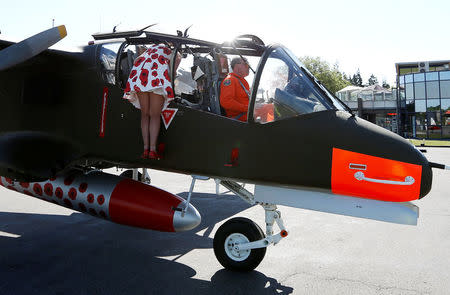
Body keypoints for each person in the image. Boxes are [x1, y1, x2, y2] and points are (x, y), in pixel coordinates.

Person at [123, 44, 181, 159]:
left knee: (145, 114)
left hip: (139, 78)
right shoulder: (174, 53)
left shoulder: (150, 49)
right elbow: (173, 73)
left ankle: (145, 149)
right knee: (154, 115)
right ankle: (153, 150)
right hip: (156, 78)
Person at [220, 57, 250, 121]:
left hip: (248, 115)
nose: (248, 66)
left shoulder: (242, 81)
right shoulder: (230, 80)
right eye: (245, 64)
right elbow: (226, 101)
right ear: (237, 66)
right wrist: (248, 108)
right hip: (241, 118)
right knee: (270, 109)